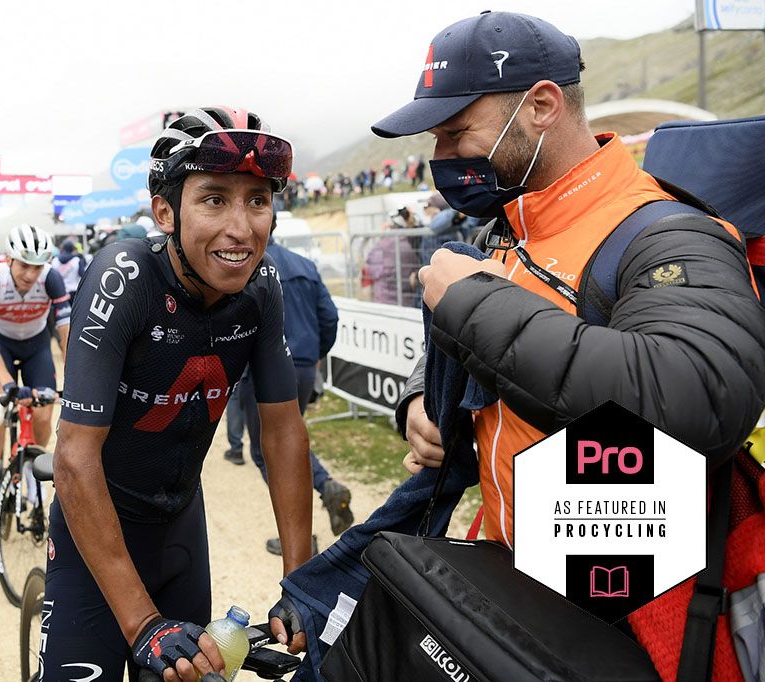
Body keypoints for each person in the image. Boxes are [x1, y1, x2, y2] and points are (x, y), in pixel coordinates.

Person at [373, 11, 765, 678]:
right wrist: (419, 399)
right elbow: (495, 349)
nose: (441, 159)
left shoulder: (666, 233)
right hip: (521, 574)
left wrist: (471, 302)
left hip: (629, 612)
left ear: (542, 106)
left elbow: (701, 394)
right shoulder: (510, 221)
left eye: (455, 132)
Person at [45, 107, 313, 682]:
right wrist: (143, 624)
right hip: (96, 528)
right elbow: (73, 456)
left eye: (258, 200)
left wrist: (301, 582)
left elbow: (283, 430)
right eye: (214, 199)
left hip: (179, 525)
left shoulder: (263, 287)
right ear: (164, 211)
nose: (242, 228)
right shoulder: (125, 276)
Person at [236, 235, 353, 554]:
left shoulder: (243, 263)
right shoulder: (304, 264)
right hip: (303, 364)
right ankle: (324, 489)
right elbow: (329, 317)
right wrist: (314, 356)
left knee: (269, 451)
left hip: (265, 366)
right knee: (289, 439)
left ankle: (300, 538)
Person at [0, 223, 70, 517]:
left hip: (35, 345)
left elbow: (67, 334)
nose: (31, 274)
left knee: (43, 410)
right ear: (10, 259)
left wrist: (78, 377)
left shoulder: (52, 279)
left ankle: (32, 473)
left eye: (38, 267)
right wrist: (7, 385)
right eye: (25, 265)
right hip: (1, 344)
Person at [363, 207, 420, 306]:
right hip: (409, 301)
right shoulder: (413, 242)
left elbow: (370, 269)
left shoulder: (382, 245)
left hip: (386, 301)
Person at [54, 237, 86, 302]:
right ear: (72, 249)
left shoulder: (55, 260)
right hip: (74, 291)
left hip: (59, 291)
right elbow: (82, 275)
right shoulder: (77, 260)